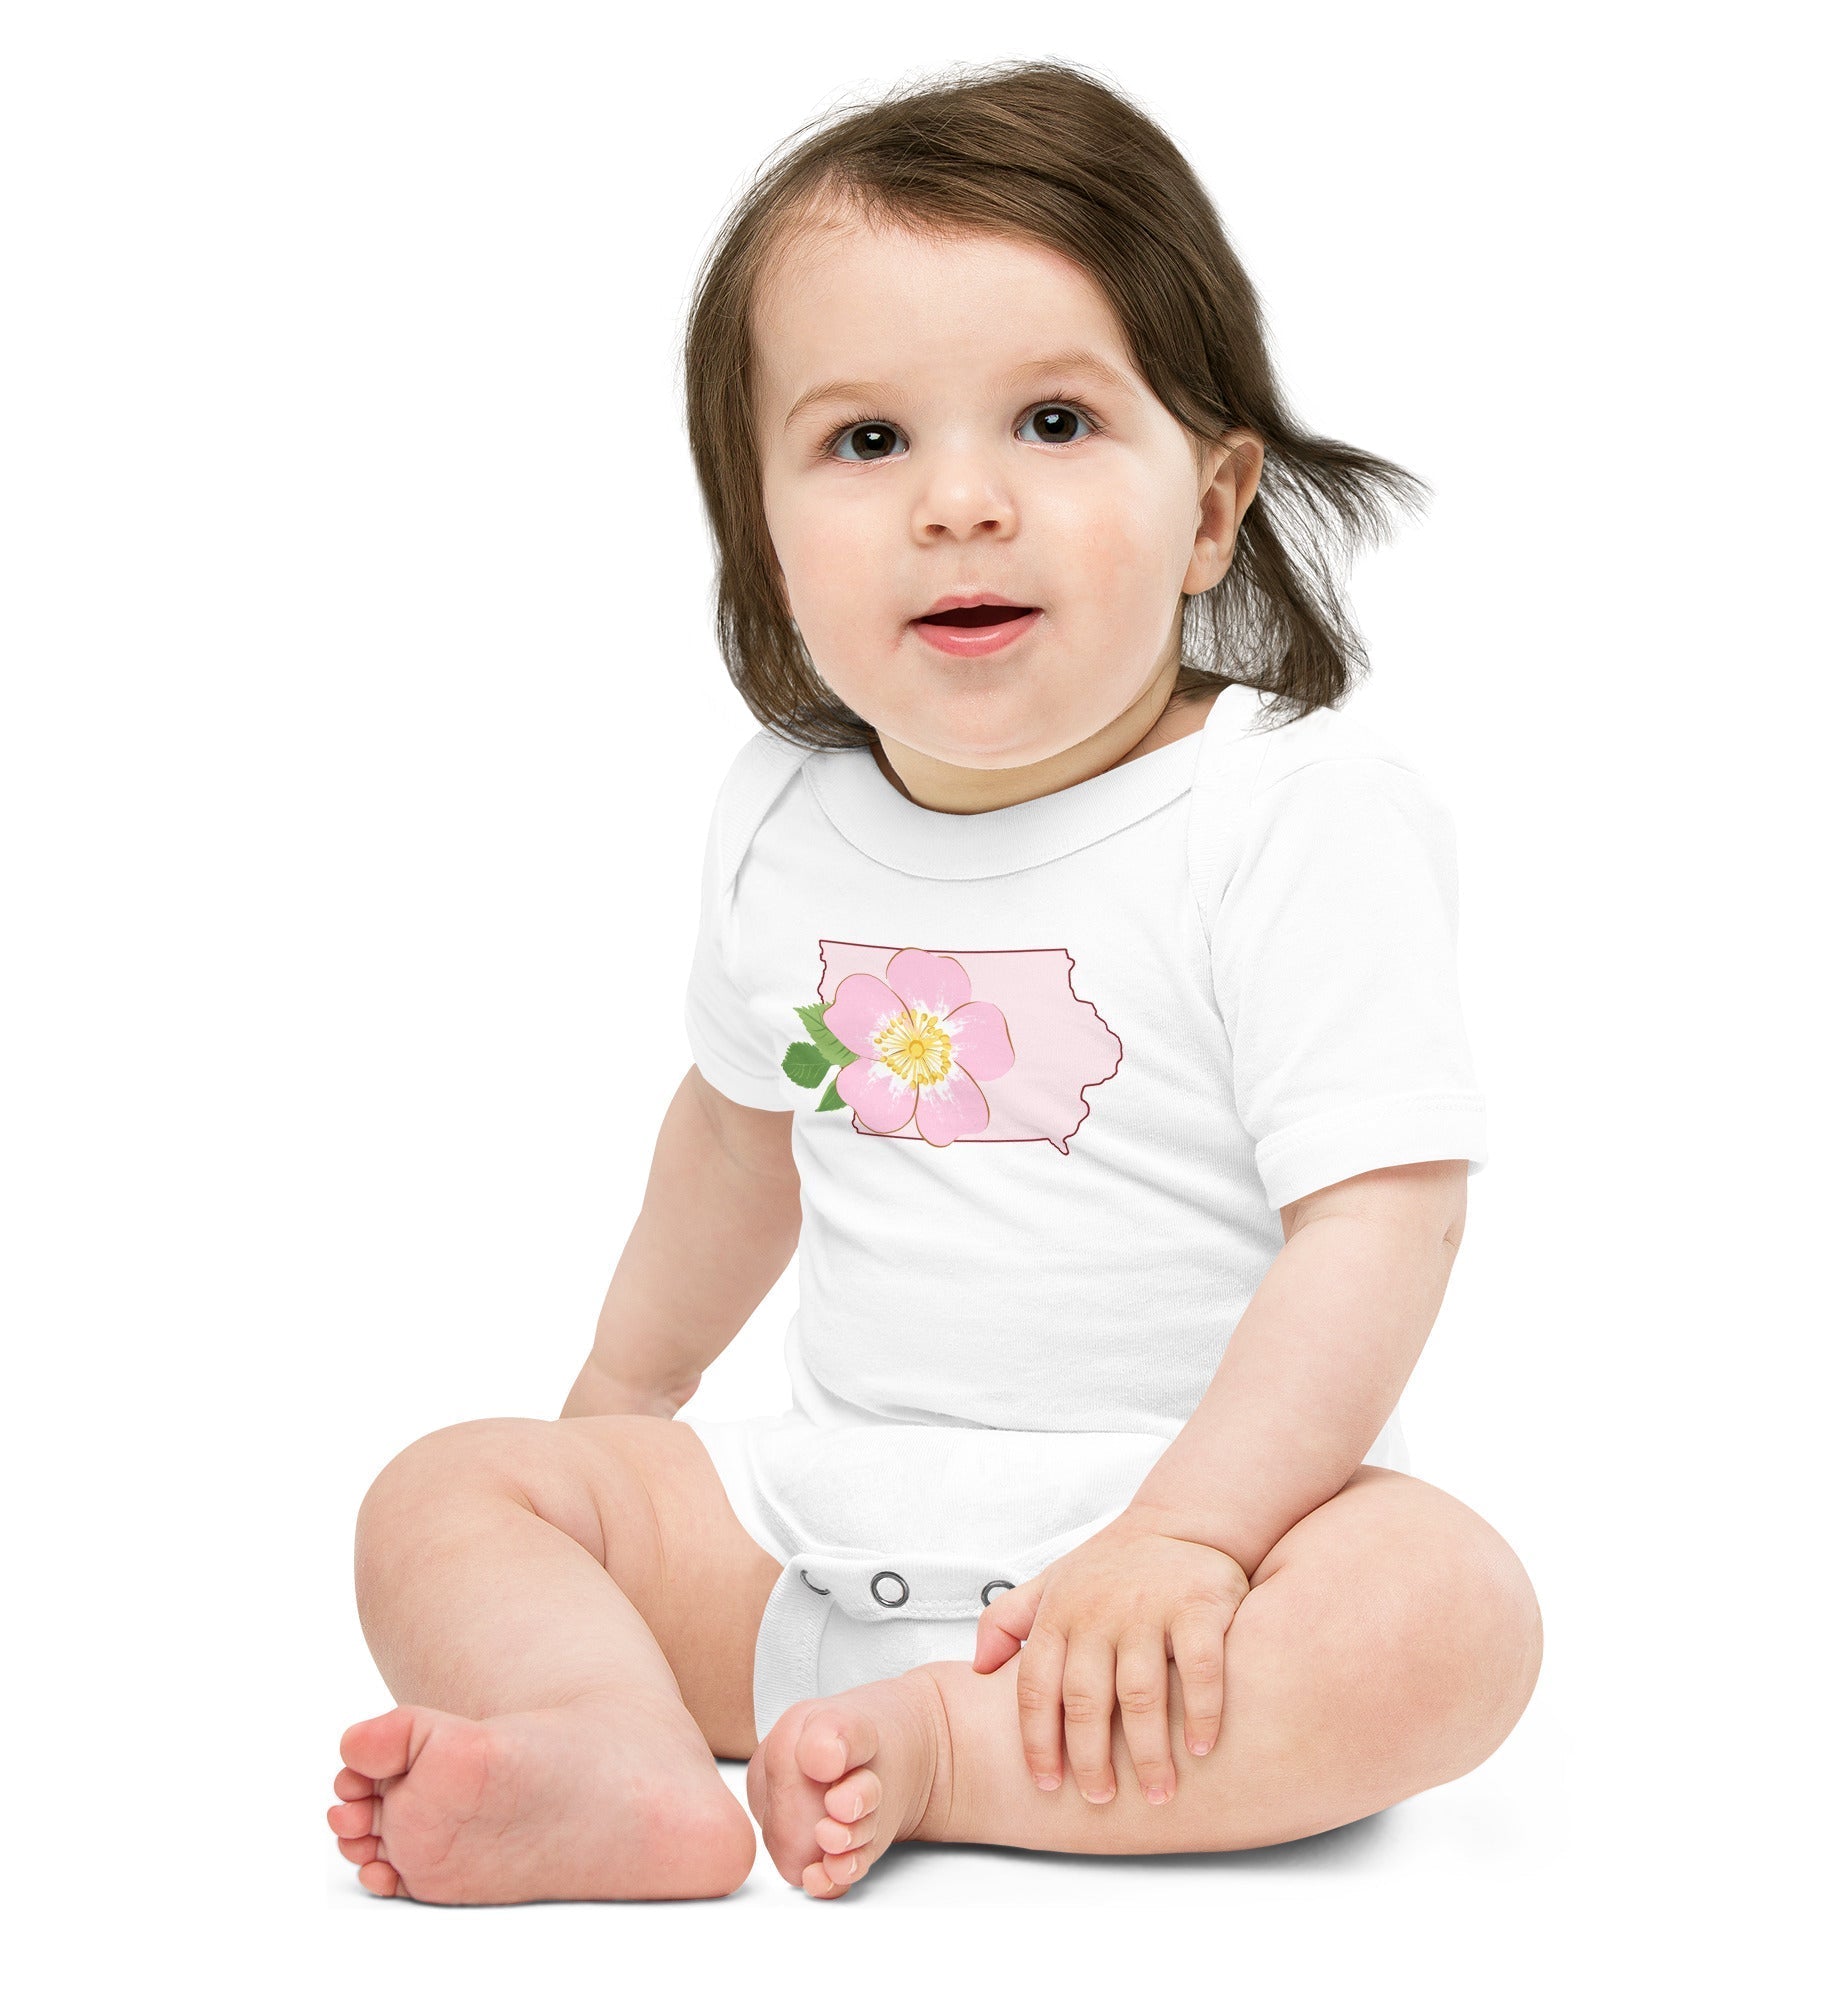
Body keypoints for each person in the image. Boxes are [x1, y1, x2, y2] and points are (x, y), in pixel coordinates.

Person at [326, 57, 1542, 1904]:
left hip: (1196, 1561)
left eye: (1053, 422)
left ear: (1213, 507)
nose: (960, 503)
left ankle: (950, 1754)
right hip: (823, 1530)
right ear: (761, 530)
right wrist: (619, 1410)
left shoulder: (1287, 816)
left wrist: (1189, 1537)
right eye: (867, 441)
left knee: (1451, 1614)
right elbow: (736, 1139)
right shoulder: (783, 821)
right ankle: (611, 1745)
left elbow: (1383, 1219)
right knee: (447, 1493)